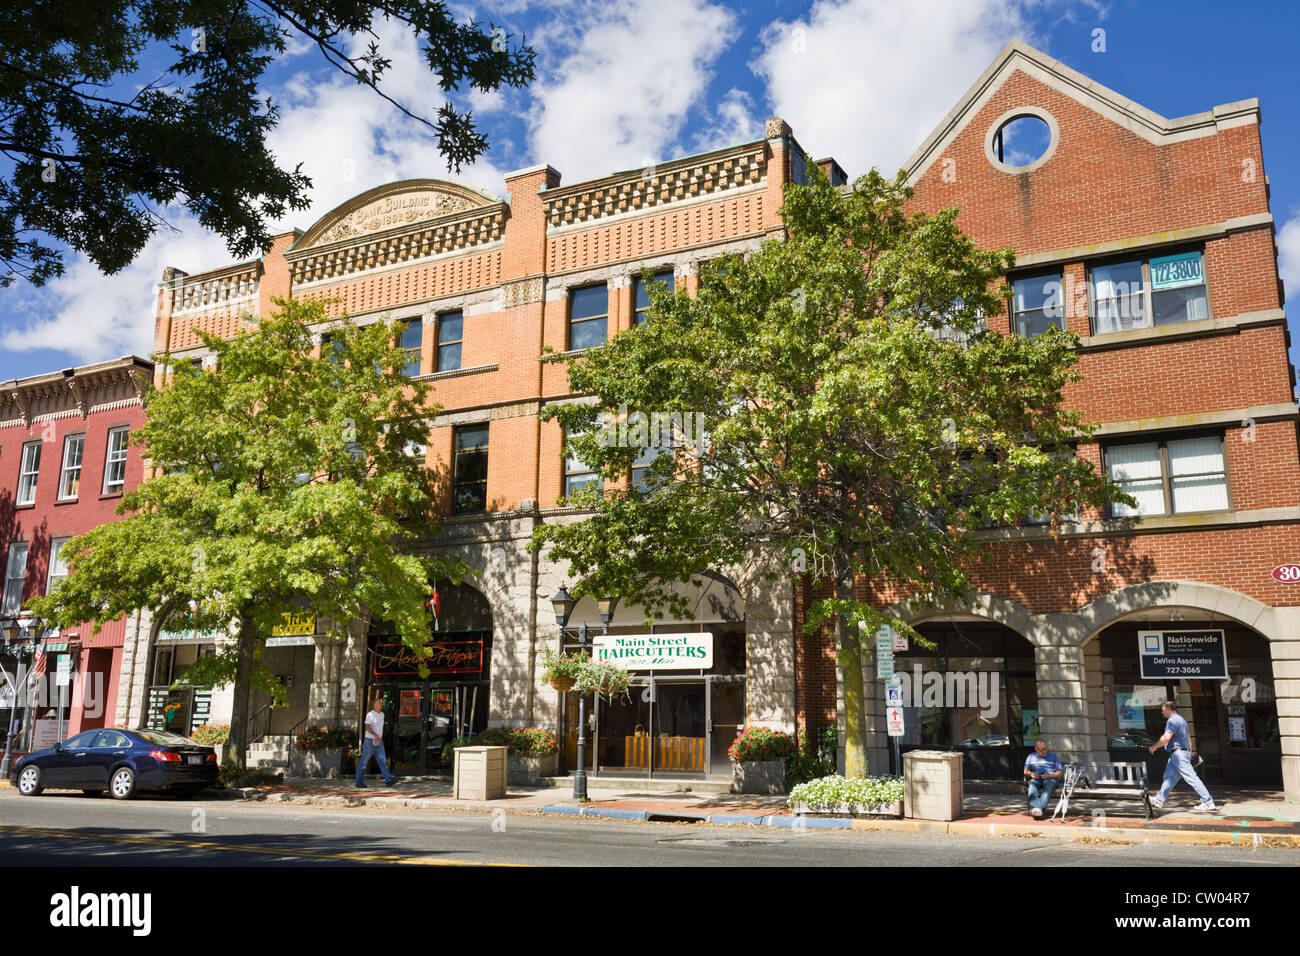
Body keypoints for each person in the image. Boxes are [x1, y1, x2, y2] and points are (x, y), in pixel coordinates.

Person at [1149, 700, 1216, 812]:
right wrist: (1189, 751)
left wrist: (1154, 747)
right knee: (1169, 777)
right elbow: (1188, 737)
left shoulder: (1172, 721)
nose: (1162, 713)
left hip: (1178, 754)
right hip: (1179, 754)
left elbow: (1166, 737)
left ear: (1167, 709)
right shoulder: (1182, 720)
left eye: (1162, 710)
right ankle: (1159, 800)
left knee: (1192, 778)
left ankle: (1208, 802)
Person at [356, 697, 395, 788]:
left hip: (379, 742)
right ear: (374, 705)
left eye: (381, 703)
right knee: (364, 762)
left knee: (383, 761)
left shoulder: (382, 715)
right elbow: (367, 727)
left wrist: (379, 737)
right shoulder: (370, 715)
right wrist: (375, 734)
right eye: (379, 703)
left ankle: (388, 780)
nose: (381, 705)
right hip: (369, 741)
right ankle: (358, 782)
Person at [1023, 738, 1064, 818]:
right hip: (1036, 778)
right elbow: (1025, 771)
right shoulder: (1031, 756)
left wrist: (1049, 776)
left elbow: (1059, 772)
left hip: (1050, 778)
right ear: (1036, 749)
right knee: (1031, 787)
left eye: (1045, 749)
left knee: (1047, 790)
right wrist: (1031, 773)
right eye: (1042, 750)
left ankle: (1037, 809)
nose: (1045, 751)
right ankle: (1039, 809)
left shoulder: (1053, 756)